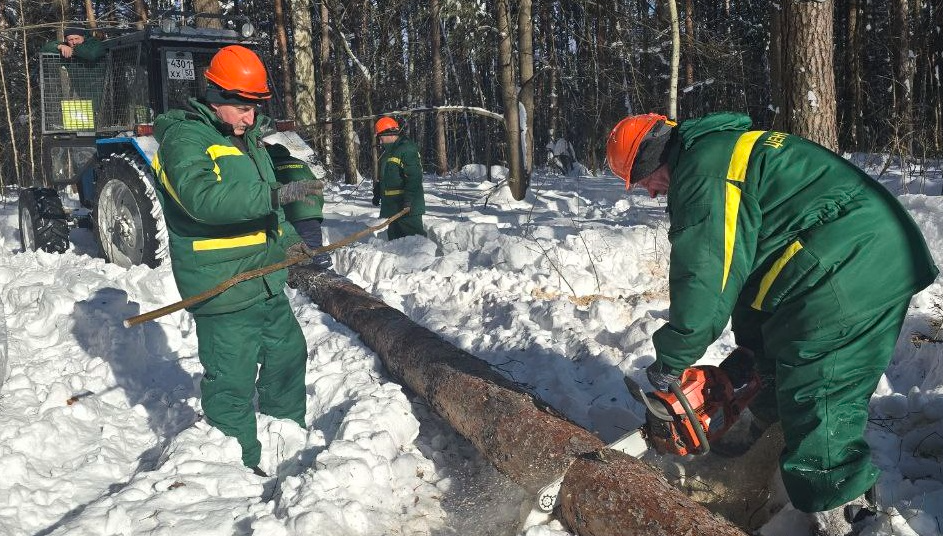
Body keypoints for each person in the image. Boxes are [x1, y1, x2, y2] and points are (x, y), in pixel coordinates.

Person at [606, 112, 938, 536]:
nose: (651, 192)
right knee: (767, 358)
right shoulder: (719, 153)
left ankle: (847, 514)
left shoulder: (704, 172)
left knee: (818, 388)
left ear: (652, 158)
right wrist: (750, 360)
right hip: (847, 251)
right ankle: (766, 437)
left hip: (851, 262)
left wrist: (674, 355)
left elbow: (707, 270)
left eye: (643, 181)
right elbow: (747, 269)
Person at [152, 45, 323, 475]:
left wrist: (289, 242)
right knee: (232, 380)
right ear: (216, 97)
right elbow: (202, 199)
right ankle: (237, 470)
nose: (250, 117)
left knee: (288, 353)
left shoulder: (248, 142)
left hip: (264, 279)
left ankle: (286, 436)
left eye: (254, 107)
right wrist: (272, 194)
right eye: (244, 108)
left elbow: (269, 209)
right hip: (223, 285)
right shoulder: (185, 139)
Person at [267, 143, 332, 269]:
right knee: (314, 249)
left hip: (289, 216)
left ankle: (311, 274)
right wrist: (316, 210)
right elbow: (317, 189)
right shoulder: (301, 163)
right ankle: (324, 270)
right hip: (312, 212)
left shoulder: (268, 165)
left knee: (295, 256)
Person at [372, 116, 426, 240]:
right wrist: (378, 191)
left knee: (415, 243)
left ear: (389, 134)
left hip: (406, 209)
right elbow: (389, 177)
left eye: (380, 137)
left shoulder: (407, 149)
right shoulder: (389, 152)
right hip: (393, 208)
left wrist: (409, 200)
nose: (380, 141)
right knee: (395, 246)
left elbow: (414, 177)